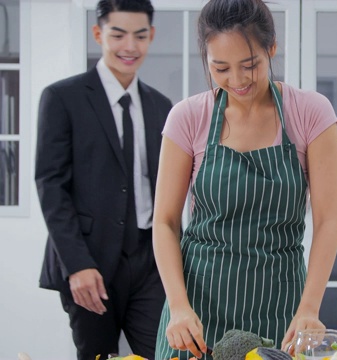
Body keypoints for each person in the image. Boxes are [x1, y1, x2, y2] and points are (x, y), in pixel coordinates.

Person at [152, 0, 337, 358]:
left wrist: (310, 308)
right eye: (220, 68)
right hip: (196, 309)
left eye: (250, 65)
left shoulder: (310, 113)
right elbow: (164, 222)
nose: (236, 81)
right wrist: (178, 305)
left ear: (271, 49)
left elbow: (329, 221)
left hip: (280, 308)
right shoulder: (188, 117)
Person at [34, 1, 172, 359]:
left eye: (140, 36)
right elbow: (51, 185)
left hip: (149, 261)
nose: (130, 47)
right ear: (98, 34)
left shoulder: (162, 106)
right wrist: (77, 264)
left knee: (165, 353)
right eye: (119, 35)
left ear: (151, 36)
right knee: (97, 356)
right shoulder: (63, 98)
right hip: (89, 259)